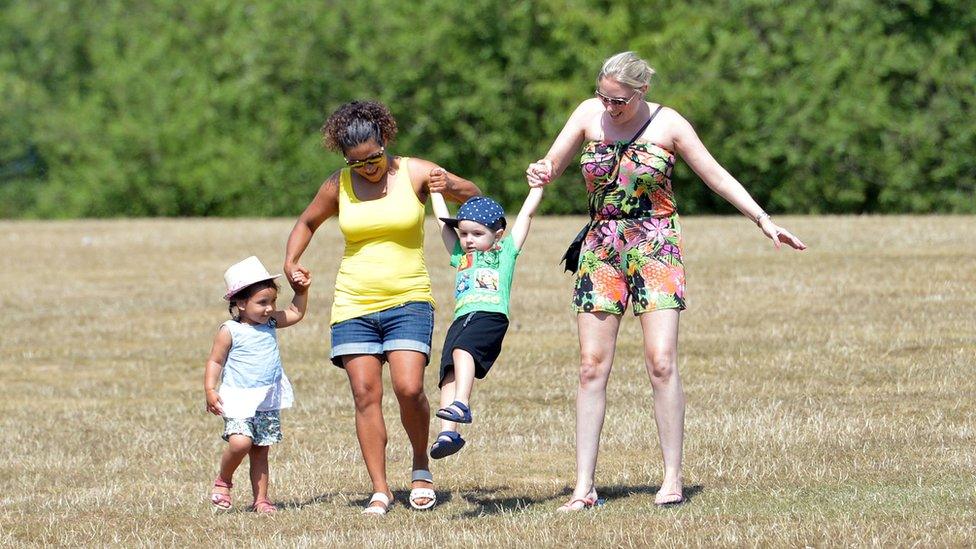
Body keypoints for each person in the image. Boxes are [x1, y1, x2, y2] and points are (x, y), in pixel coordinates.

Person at [526, 51, 807, 511]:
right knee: (591, 366)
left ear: (642, 91)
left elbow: (715, 175)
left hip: (655, 243)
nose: (609, 107)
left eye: (618, 100)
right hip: (601, 247)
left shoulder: (669, 124)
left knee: (661, 361)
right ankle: (583, 488)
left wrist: (763, 219)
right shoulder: (586, 114)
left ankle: (672, 478)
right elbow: (550, 166)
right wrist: (540, 171)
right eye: (604, 97)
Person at [283, 100, 481, 515]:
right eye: (357, 163)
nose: (368, 167)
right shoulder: (338, 185)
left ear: (384, 141)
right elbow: (306, 223)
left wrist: (452, 185)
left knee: (409, 388)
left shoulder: (415, 172)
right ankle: (380, 488)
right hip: (353, 301)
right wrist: (292, 261)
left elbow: (474, 198)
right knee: (364, 394)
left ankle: (421, 467)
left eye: (374, 157)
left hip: (409, 297)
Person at [426, 184, 544, 459]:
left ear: (497, 234)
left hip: (488, 315)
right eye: (464, 233)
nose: (468, 239)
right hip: (462, 318)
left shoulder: (504, 253)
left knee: (461, 351)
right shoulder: (461, 257)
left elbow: (526, 216)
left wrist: (536, 189)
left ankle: (462, 403)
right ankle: (448, 433)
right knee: (447, 374)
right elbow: (443, 227)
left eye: (477, 234)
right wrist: (435, 194)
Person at [205, 256, 311, 513]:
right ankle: (224, 481)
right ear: (240, 303)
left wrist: (302, 291)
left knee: (261, 450)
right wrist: (210, 389)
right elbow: (215, 361)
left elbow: (296, 312)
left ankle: (261, 500)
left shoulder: (271, 322)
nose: (269, 308)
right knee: (241, 442)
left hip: (266, 398)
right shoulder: (230, 330)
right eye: (262, 303)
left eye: (272, 301)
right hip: (238, 398)